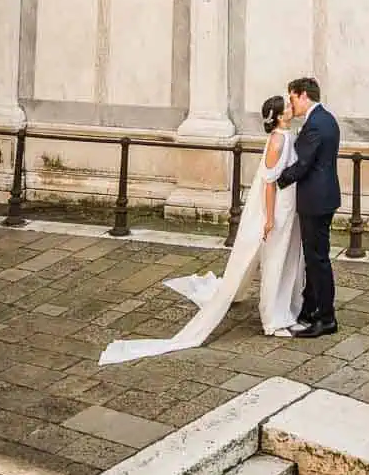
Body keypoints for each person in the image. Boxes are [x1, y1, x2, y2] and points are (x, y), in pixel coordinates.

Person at [97, 94, 304, 364]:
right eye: (286, 107)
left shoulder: (288, 135)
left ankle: (284, 310)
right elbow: (268, 182)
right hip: (274, 207)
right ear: (277, 116)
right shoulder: (278, 140)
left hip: (286, 206)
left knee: (283, 257)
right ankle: (272, 320)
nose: (291, 107)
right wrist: (268, 218)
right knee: (273, 260)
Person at [276, 77, 341, 337]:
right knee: (315, 258)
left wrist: (276, 180)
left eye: (292, 98)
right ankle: (310, 308)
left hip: (315, 200)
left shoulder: (314, 125)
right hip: (324, 197)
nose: (291, 104)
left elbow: (302, 164)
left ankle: (326, 318)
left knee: (318, 260)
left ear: (304, 96)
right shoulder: (328, 118)